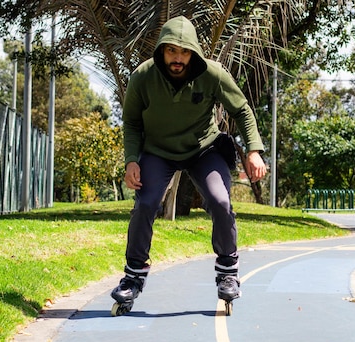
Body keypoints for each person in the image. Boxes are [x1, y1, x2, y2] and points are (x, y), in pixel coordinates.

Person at [110, 16, 267, 315]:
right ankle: (132, 277)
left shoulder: (213, 74)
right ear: (161, 51)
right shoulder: (142, 77)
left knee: (220, 201)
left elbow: (242, 110)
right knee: (145, 204)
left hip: (203, 149)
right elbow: (131, 122)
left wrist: (254, 150)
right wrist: (131, 159)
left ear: (193, 52)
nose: (178, 58)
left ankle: (228, 273)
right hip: (158, 151)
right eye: (171, 51)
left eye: (183, 52)